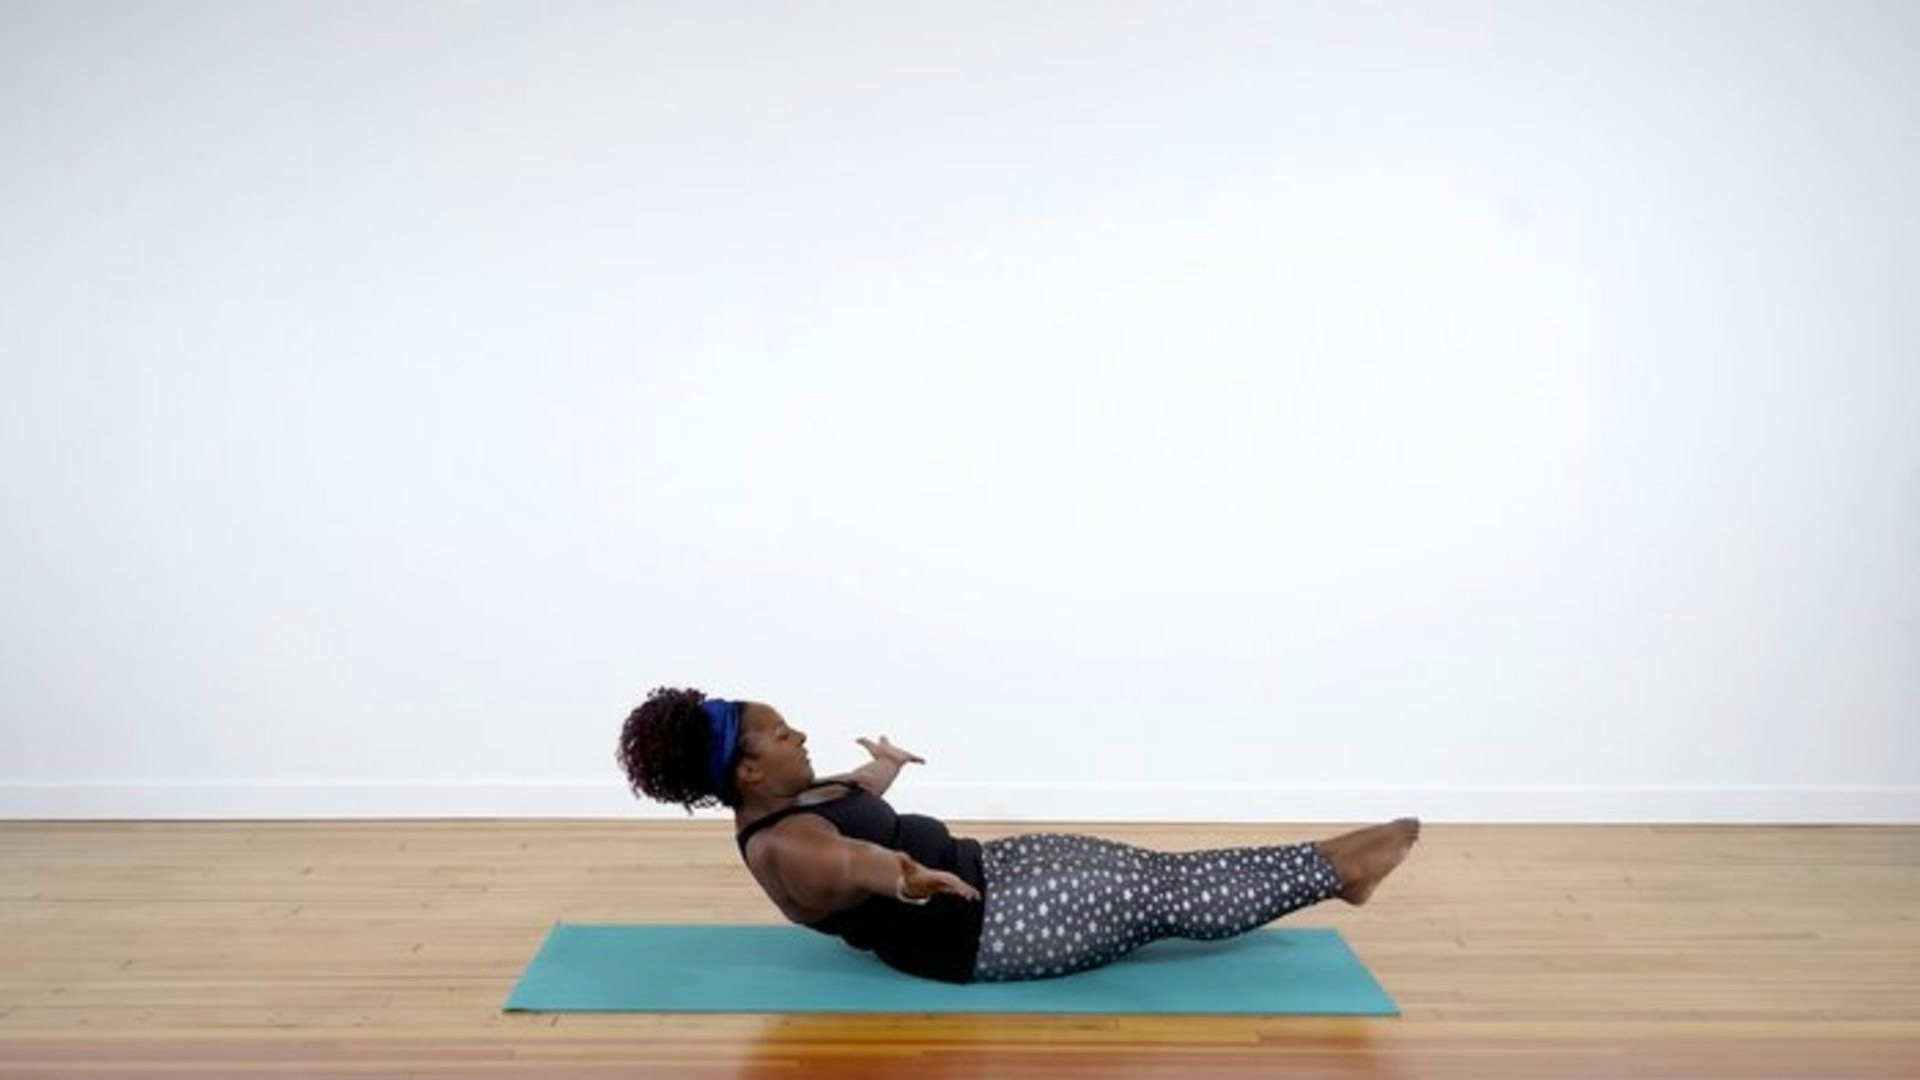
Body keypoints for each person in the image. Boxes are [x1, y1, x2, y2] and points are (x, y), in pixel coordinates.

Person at [616, 686, 1420, 984]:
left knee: (1155, 871)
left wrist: (885, 766)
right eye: (781, 733)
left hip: (988, 871)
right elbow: (855, 861)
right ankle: (1336, 872)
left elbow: (855, 797)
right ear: (750, 771)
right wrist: (908, 878)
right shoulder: (786, 847)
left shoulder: (793, 794)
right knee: (1156, 898)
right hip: (983, 930)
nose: (798, 735)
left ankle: (1324, 863)